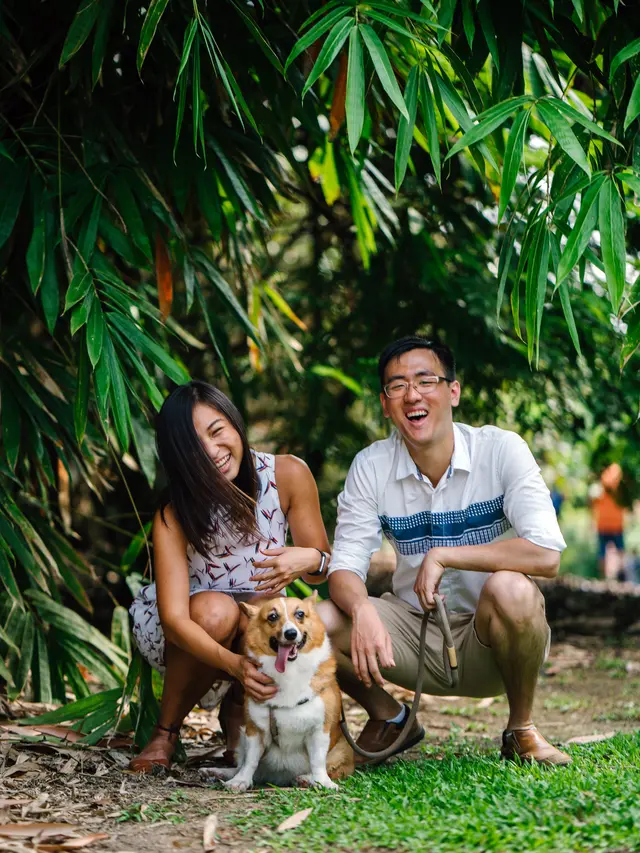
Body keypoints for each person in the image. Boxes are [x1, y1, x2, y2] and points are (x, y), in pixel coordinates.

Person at [318, 335, 572, 766]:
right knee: (319, 620)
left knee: (512, 589)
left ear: (452, 391)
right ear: (385, 403)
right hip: (412, 638)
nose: (412, 395)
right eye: (397, 386)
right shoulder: (371, 466)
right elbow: (344, 568)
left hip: (491, 638)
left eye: (425, 380)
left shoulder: (501, 449)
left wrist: (447, 555)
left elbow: (546, 554)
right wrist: (361, 610)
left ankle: (520, 728)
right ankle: (390, 717)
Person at [128, 381, 331, 772]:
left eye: (217, 431)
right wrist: (233, 664)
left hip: (258, 624)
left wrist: (306, 558)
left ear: (235, 423)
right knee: (217, 611)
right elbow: (174, 620)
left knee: (263, 610)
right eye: (194, 448)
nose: (213, 453)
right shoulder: (175, 513)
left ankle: (237, 712)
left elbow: (322, 568)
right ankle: (166, 731)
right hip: (191, 630)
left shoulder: (287, 474)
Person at [590, 463, 626, 580]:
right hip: (611, 526)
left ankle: (608, 577)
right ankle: (612, 576)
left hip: (609, 525)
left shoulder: (607, 492)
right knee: (615, 551)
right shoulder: (613, 492)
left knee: (606, 552)